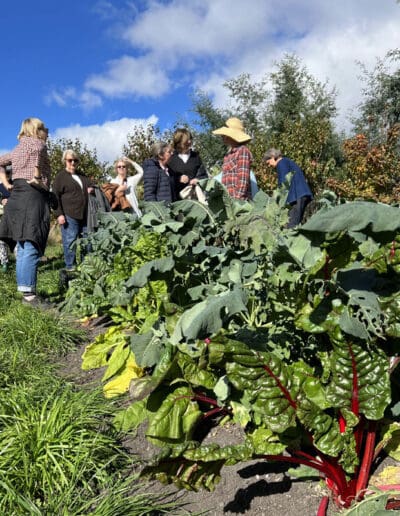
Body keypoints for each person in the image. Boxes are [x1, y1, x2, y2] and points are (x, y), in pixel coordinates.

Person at [0, 118, 51, 304]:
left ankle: (25, 291)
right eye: (44, 128)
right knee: (30, 243)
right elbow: (37, 156)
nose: (47, 131)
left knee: (22, 245)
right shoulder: (38, 144)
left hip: (17, 197)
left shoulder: (16, 149)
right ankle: (29, 296)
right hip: (32, 196)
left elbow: (0, 162)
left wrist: (6, 183)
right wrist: (37, 176)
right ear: (36, 129)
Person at [53, 149, 94, 272]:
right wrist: (59, 214)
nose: (72, 163)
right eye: (70, 160)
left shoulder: (82, 175)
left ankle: (87, 266)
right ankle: (70, 267)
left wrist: (91, 188)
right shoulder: (60, 177)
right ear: (65, 161)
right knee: (70, 241)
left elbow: (92, 185)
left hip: (85, 214)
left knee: (88, 241)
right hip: (69, 214)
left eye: (75, 160)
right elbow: (55, 196)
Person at [264, 148, 313, 228]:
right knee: (296, 224)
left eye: (268, 163)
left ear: (272, 157)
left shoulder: (281, 163)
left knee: (291, 226)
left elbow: (283, 184)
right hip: (302, 194)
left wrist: (276, 201)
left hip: (296, 196)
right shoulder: (287, 161)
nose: (269, 166)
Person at [212, 117, 252, 200]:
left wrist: (237, 202)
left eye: (225, 134)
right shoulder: (228, 156)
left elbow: (243, 180)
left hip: (239, 204)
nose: (223, 136)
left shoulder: (242, 151)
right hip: (228, 201)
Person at [167, 128, 208, 198]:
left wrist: (197, 179)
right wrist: (178, 179)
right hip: (177, 200)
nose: (189, 141)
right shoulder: (170, 159)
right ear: (178, 142)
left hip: (195, 198)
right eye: (186, 140)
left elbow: (204, 175)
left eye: (190, 139)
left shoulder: (195, 157)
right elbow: (166, 179)